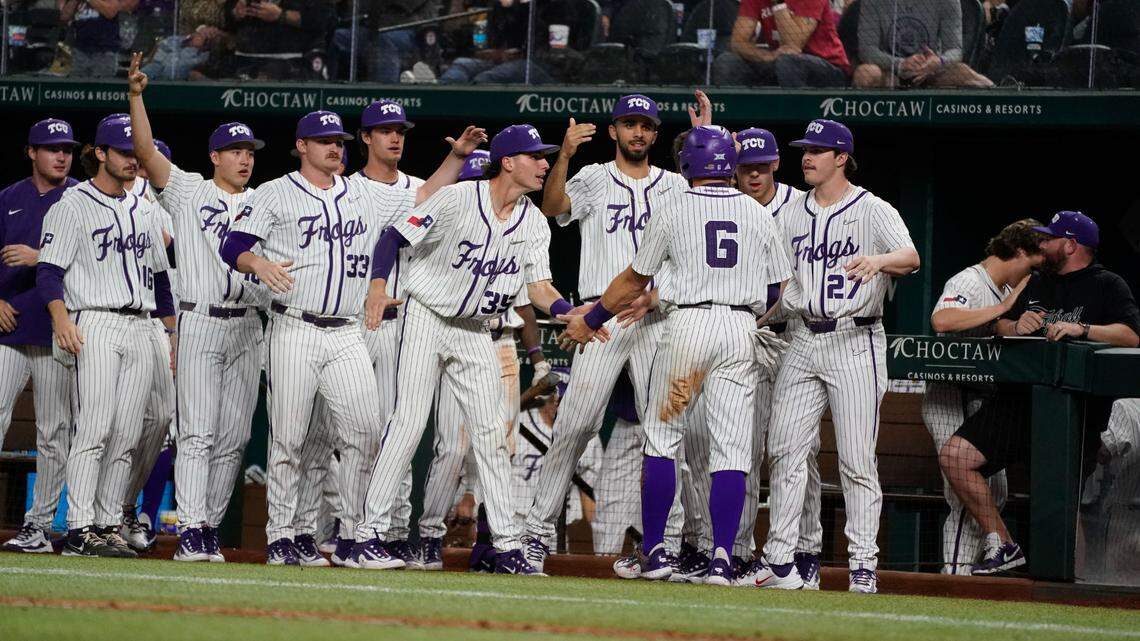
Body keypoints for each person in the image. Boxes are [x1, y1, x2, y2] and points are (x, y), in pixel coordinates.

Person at [219, 109, 479, 565]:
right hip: (294, 326)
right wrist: (257, 263)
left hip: (347, 331)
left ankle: (357, 537)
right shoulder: (275, 192)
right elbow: (232, 245)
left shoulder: (360, 193)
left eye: (338, 141)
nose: (334, 148)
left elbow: (424, 197)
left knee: (366, 434)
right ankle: (284, 536)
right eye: (324, 141)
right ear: (302, 146)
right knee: (290, 440)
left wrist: (456, 159)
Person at [560, 125, 793, 585]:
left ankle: (654, 552)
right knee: (731, 450)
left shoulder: (673, 207)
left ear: (688, 164)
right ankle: (722, 558)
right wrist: (747, 317)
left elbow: (634, 281)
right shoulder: (757, 211)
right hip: (739, 330)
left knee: (663, 439)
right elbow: (778, 288)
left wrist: (594, 317)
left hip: (687, 327)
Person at [354, 124, 578, 575]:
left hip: (476, 329)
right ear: (508, 162)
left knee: (492, 435)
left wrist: (569, 311)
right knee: (408, 424)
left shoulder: (533, 221)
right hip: (428, 317)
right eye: (535, 156)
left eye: (545, 156)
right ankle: (367, 535)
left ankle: (508, 545)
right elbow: (393, 237)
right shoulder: (457, 199)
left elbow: (538, 286)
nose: (544, 164)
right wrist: (377, 287)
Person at [742, 118, 920, 594]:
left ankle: (862, 563)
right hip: (801, 337)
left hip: (854, 338)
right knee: (785, 450)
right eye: (804, 149)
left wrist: (879, 260)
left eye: (817, 150)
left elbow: (911, 258)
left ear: (841, 158)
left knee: (856, 460)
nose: (807, 157)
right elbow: (781, 283)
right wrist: (754, 318)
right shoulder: (791, 214)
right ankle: (781, 559)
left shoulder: (872, 208)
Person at [519, 94, 692, 575]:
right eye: (629, 124)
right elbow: (554, 206)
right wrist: (565, 155)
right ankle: (536, 534)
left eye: (646, 125)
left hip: (655, 315)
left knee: (666, 433)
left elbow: (692, 253)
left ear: (655, 134)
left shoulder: (676, 186)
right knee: (575, 426)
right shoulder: (594, 177)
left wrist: (657, 295)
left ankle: (666, 543)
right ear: (614, 130)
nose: (638, 132)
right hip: (601, 317)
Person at [941, 210, 1140, 576]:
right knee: (956, 456)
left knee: (1062, 505)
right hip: (1019, 401)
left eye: (1050, 239)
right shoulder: (1035, 282)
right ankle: (1004, 544)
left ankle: (1073, 584)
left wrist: (1084, 329)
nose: (1042, 245)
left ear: (1071, 245)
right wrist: (1015, 325)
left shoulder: (1108, 284)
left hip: (1072, 411)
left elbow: (1130, 336)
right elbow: (1000, 324)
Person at [127, 55, 268, 563]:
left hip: (248, 326)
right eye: (235, 151)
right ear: (214, 157)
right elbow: (145, 151)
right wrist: (137, 97)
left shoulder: (265, 200)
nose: (244, 159)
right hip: (202, 320)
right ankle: (189, 528)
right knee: (197, 432)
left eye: (249, 152)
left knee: (234, 436)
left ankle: (207, 525)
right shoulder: (188, 190)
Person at [36, 114, 175, 558]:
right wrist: (61, 319)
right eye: (123, 152)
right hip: (95, 320)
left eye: (137, 153)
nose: (133, 160)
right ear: (100, 153)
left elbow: (161, 277)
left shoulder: (145, 207)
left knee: (127, 433)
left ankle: (107, 522)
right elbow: (48, 270)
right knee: (94, 428)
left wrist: (170, 332)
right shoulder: (72, 204)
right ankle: (79, 527)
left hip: (142, 323)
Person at [416, 148, 553, 572]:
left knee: (501, 448)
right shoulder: (457, 218)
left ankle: (491, 544)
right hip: (456, 335)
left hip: (502, 342)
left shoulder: (519, 224)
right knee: (453, 448)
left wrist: (537, 356)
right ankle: (429, 535)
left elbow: (527, 299)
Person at [728, 127, 824, 587]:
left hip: (790, 337)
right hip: (743, 338)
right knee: (743, 446)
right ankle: (743, 551)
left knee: (801, 452)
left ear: (775, 165)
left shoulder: (800, 207)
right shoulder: (726, 203)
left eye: (761, 167)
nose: (754, 175)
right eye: (745, 168)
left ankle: (806, 550)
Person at [922, 219, 1044, 575]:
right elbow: (942, 320)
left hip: (979, 397)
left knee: (993, 493)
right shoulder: (970, 281)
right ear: (1018, 251)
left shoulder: (998, 288)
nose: (1032, 275)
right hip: (952, 396)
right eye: (1032, 264)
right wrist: (1003, 308)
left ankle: (983, 561)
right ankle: (955, 575)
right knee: (966, 494)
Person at [0, 118, 80, 555]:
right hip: (8, 328)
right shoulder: (8, 198)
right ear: (32, 152)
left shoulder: (83, 197)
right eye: (52, 148)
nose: (61, 156)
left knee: (54, 431)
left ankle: (40, 525)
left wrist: (42, 256)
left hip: (56, 330)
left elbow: (96, 263)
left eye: (67, 149)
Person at [853, 0, 993, 88]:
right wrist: (899, 64)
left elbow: (955, 50)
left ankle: (997, 101)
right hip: (890, 71)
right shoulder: (872, 1)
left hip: (931, 71)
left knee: (966, 75)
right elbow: (867, 50)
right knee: (866, 74)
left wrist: (939, 61)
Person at [713, 0, 850, 88]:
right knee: (727, 62)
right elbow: (737, 43)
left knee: (789, 62)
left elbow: (794, 44)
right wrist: (768, 56)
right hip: (779, 62)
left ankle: (796, 121)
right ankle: (738, 122)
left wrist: (778, 3)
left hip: (828, 67)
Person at [224, 0, 333, 80]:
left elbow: (325, 19)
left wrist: (281, 15)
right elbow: (228, 14)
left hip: (293, 63)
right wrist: (235, 12)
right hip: (245, 63)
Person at [59, 0, 132, 78]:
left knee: (102, 82)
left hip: (105, 49)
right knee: (76, 82)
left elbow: (111, 12)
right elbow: (64, 16)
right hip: (80, 49)